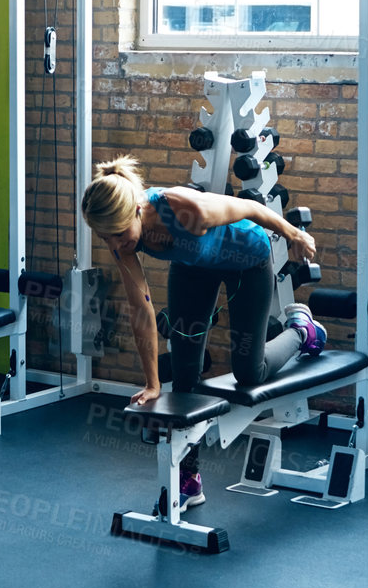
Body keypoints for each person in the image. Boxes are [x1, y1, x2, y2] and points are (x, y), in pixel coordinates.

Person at [80, 156, 322, 509]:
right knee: (185, 375)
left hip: (248, 262)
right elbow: (141, 309)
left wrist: (295, 234)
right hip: (193, 268)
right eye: (106, 238)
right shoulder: (120, 236)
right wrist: (152, 384)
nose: (115, 245)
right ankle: (189, 481)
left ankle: (303, 331)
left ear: (135, 211)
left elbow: (250, 209)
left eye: (118, 235)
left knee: (248, 372)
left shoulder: (183, 209)